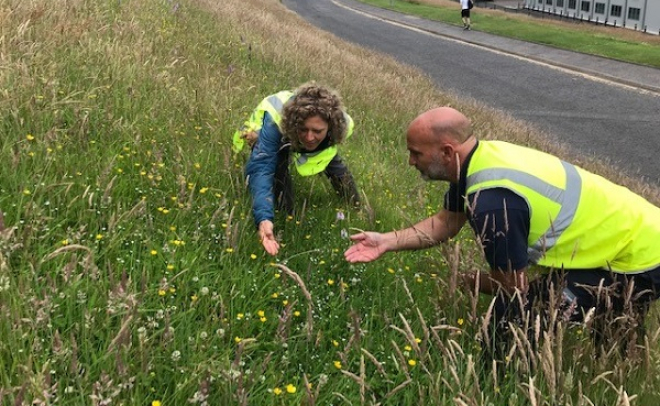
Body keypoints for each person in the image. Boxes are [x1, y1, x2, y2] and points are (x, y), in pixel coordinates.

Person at [345, 107, 660, 358]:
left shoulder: (492, 202)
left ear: (445, 151)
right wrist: (387, 241)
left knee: (514, 321)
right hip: (632, 236)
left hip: (642, 256)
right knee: (612, 325)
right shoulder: (477, 160)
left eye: (416, 153)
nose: (410, 161)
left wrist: (467, 281)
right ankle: (622, 368)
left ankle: (496, 385)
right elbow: (446, 223)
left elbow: (513, 287)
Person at [233, 82, 359, 256]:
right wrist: (263, 218)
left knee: (336, 168)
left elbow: (333, 161)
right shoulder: (275, 124)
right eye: (304, 129)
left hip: (315, 136)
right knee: (278, 168)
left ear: (330, 128)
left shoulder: (340, 125)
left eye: (317, 130)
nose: (309, 137)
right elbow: (262, 168)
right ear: (295, 124)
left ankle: (355, 206)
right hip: (280, 132)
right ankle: (287, 215)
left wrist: (356, 207)